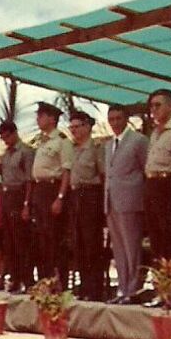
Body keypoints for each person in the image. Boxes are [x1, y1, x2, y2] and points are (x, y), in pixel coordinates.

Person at [24, 101, 73, 286]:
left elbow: (66, 171)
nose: (38, 119)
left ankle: (59, 282)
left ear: (52, 119)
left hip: (53, 189)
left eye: (41, 116)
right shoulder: (41, 142)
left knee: (55, 238)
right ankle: (45, 281)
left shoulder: (62, 141)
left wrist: (60, 197)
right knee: (41, 239)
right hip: (40, 190)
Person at [105, 104, 148, 304]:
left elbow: (146, 168)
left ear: (126, 119)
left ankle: (133, 289)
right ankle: (122, 288)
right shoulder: (108, 144)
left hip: (130, 200)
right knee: (119, 248)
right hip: (112, 201)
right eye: (111, 119)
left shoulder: (138, 141)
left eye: (118, 119)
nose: (114, 123)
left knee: (132, 247)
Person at [68, 110, 106, 301]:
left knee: (92, 244)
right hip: (75, 195)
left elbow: (103, 175)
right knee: (79, 244)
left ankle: (95, 288)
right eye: (71, 127)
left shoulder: (96, 148)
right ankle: (84, 286)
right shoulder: (72, 149)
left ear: (87, 126)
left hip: (91, 194)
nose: (74, 131)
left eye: (77, 126)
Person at [144, 89, 171, 263]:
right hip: (152, 184)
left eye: (158, 105)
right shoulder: (154, 132)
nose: (154, 110)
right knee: (156, 235)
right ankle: (161, 279)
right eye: (151, 106)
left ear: (170, 107)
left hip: (169, 184)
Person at [0, 120, 35, 293]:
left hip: (19, 195)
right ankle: (14, 279)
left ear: (14, 133)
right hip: (6, 197)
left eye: (6, 136)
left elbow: (29, 180)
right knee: (9, 242)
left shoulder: (26, 152)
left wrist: (26, 204)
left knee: (22, 242)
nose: (5, 140)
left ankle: (27, 281)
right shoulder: (5, 154)